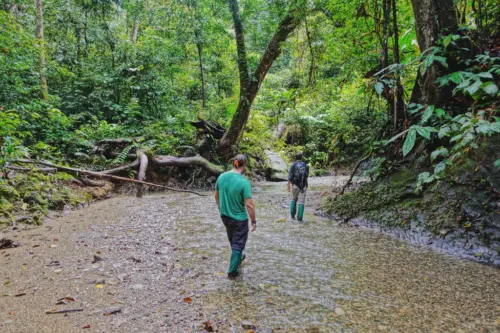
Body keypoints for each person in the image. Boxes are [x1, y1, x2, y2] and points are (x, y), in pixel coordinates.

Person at [214, 154, 257, 278]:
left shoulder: (221, 177)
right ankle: (232, 271)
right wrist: (253, 221)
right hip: (239, 219)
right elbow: (249, 205)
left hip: (225, 215)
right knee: (238, 243)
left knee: (233, 239)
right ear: (244, 165)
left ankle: (239, 256)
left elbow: (216, 195)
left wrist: (220, 208)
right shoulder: (244, 182)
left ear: (234, 163)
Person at [287, 152, 309, 221]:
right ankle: (300, 219)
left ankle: (292, 216)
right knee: (301, 201)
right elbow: (307, 175)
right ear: (301, 157)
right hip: (304, 185)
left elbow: (290, 176)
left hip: (295, 185)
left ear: (295, 158)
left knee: (294, 199)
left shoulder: (293, 165)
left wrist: (288, 186)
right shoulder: (306, 165)